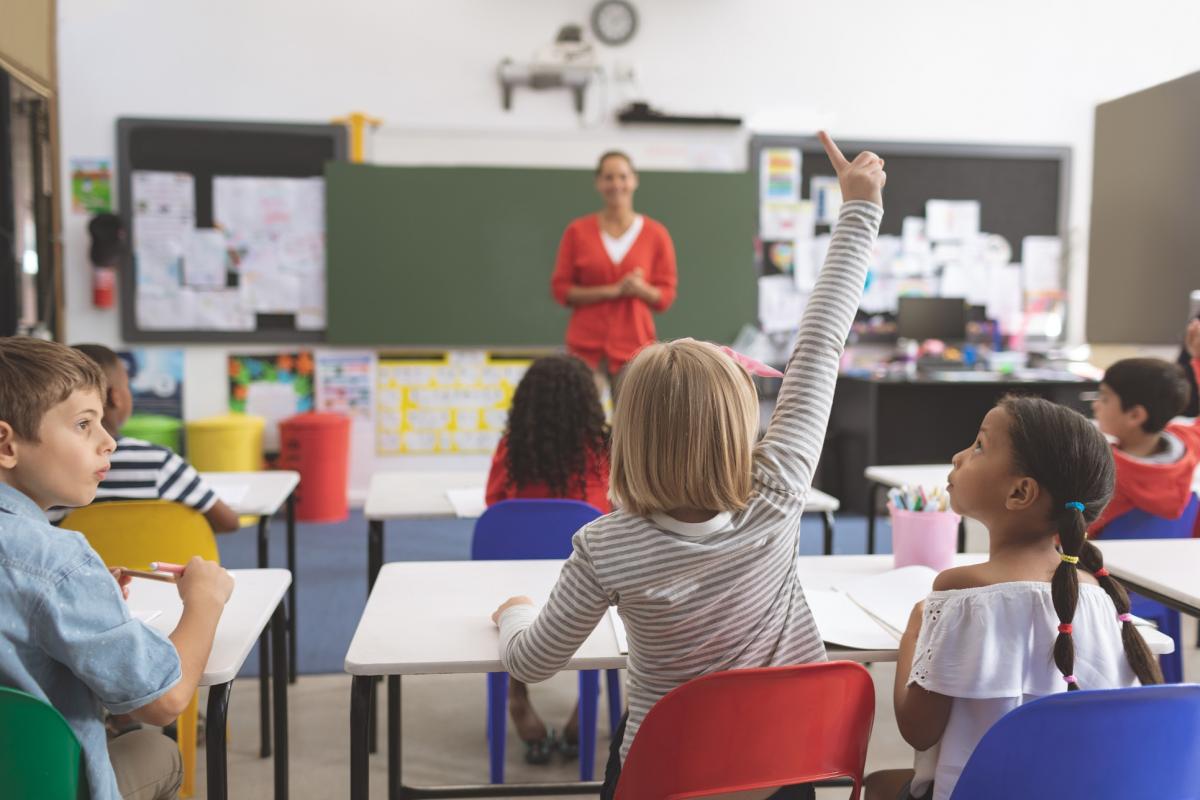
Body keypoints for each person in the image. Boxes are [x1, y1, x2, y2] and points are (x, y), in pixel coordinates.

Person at [493, 132, 885, 799]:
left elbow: (533, 658)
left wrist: (512, 613)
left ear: (629, 433)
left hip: (667, 775)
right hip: (788, 763)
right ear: (741, 421)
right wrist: (860, 210)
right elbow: (821, 341)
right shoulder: (779, 489)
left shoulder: (605, 545)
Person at [866, 396, 1162, 800]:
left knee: (877, 784)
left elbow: (918, 732)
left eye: (979, 446)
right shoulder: (1099, 593)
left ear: (1021, 492)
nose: (958, 457)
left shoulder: (960, 589)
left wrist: (916, 630)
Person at [0, 336, 233, 800]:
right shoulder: (58, 562)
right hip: (46, 786)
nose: (108, 442)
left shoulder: (54, 572)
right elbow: (164, 701)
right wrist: (204, 602)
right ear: (6, 445)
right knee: (157, 750)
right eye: (84, 425)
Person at [484, 353, 611, 762]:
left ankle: (517, 698)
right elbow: (623, 514)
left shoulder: (513, 448)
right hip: (588, 590)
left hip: (516, 587)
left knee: (509, 601)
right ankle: (584, 708)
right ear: (589, 402)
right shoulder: (605, 451)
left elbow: (493, 507)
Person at [46, 344, 239, 533]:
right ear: (116, 397)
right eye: (128, 386)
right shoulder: (159, 463)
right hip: (154, 565)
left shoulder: (51, 470)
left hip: (75, 565)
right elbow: (228, 522)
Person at [550, 151, 678, 400]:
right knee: (581, 421)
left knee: (630, 427)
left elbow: (665, 297)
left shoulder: (656, 234)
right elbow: (561, 290)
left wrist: (640, 289)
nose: (616, 184)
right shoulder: (577, 231)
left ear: (635, 180)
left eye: (623, 176)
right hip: (585, 349)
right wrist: (612, 290)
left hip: (635, 348)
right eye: (608, 177)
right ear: (598, 183)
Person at [1086, 319, 1200, 538]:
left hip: (1103, 569)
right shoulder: (1188, 444)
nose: (1096, 404)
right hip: (1167, 567)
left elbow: (1059, 535)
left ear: (1135, 415)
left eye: (1105, 398)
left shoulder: (1101, 472)